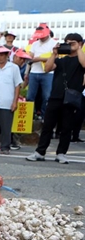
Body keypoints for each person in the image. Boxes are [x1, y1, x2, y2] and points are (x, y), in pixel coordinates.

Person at [27, 33, 85, 165]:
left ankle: (61, 153)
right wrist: (54, 53)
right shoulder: (61, 60)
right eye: (67, 42)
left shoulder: (81, 58)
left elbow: (84, 63)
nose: (69, 45)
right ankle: (40, 152)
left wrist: (79, 47)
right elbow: (47, 68)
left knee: (66, 128)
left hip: (71, 99)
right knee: (47, 126)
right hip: (55, 97)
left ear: (80, 43)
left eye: (73, 43)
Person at [27, 25, 58, 121]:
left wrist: (39, 58)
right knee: (30, 96)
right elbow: (30, 57)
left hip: (48, 73)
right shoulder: (35, 44)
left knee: (47, 96)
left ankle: (44, 116)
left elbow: (55, 58)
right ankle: (30, 117)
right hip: (34, 72)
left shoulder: (54, 43)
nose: (41, 38)